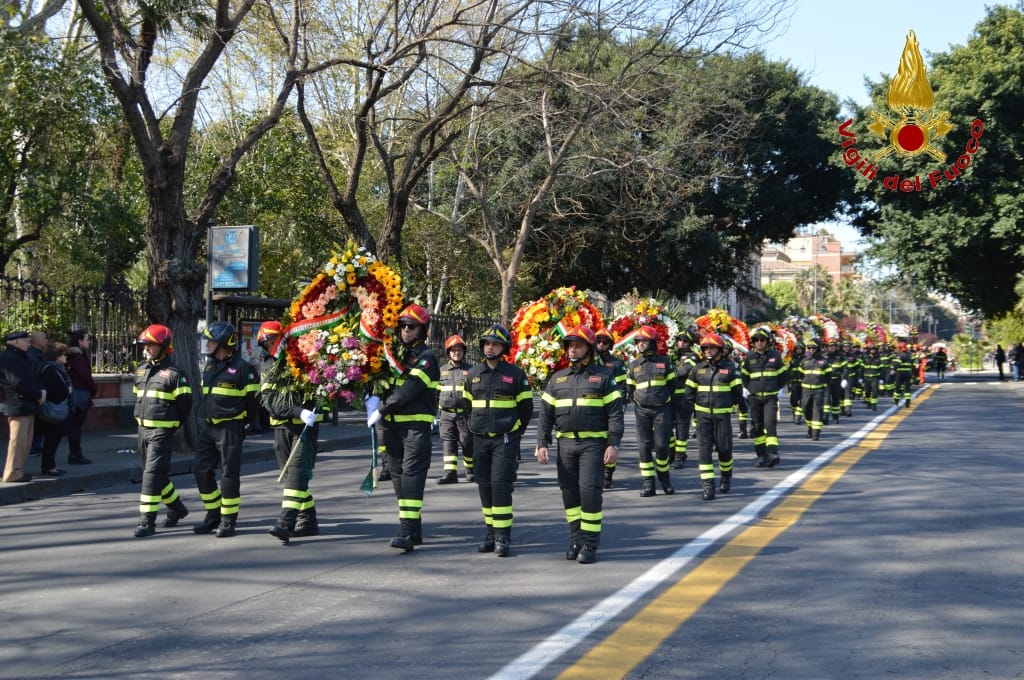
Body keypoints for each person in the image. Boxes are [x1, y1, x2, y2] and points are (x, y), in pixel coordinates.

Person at [536, 325, 623, 564]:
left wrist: (613, 444)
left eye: (578, 345)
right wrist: (542, 443)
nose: (573, 350)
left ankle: (590, 543)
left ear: (589, 349)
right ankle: (575, 539)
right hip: (566, 445)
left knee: (589, 492)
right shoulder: (558, 378)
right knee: (569, 493)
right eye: (570, 345)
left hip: (593, 444)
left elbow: (615, 414)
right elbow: (545, 415)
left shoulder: (604, 377)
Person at [372, 304, 440, 552]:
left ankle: (407, 531)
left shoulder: (427, 358)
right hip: (392, 429)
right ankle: (415, 528)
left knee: (412, 477)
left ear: (423, 330)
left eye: (412, 327)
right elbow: (383, 383)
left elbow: (410, 389)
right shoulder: (394, 354)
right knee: (399, 478)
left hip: (415, 428)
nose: (406, 331)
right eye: (403, 327)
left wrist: (382, 408)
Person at [461, 323, 533, 557]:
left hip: (504, 439)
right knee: (485, 487)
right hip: (480, 439)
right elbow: (466, 407)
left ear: (504, 347)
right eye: (487, 343)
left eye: (495, 344)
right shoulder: (472, 375)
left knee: (500, 486)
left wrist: (514, 433)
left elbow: (526, 409)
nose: (490, 348)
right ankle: (490, 534)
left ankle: (503, 537)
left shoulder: (515, 375)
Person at [257, 321, 323, 545]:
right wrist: (298, 411)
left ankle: (285, 522)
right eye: (267, 342)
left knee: (296, 472)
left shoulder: (304, 359)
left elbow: (320, 386)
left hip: (305, 428)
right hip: (282, 426)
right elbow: (271, 402)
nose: (271, 345)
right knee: (294, 477)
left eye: (274, 340)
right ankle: (309, 520)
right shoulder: (267, 367)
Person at [192, 321, 261, 538]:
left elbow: (253, 403)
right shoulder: (210, 366)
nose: (208, 345)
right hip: (208, 427)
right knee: (200, 470)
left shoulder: (244, 369)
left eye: (211, 341)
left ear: (223, 343)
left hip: (230, 428)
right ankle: (213, 513)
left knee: (229, 474)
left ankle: (228, 519)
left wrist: (245, 424)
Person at [132, 325, 193, 538]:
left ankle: (147, 521)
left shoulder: (176, 375)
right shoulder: (140, 370)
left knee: (152, 475)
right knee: (154, 474)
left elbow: (185, 404)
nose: (147, 348)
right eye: (146, 344)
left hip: (162, 431)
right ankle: (177, 508)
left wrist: (174, 426)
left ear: (164, 347)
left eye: (152, 345)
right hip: (142, 430)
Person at [684, 332, 747, 500]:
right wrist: (694, 412)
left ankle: (726, 477)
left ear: (719, 349)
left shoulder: (730, 368)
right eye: (705, 348)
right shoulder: (697, 369)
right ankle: (708, 486)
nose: (708, 351)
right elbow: (689, 393)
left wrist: (742, 409)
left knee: (725, 451)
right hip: (703, 418)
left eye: (712, 347)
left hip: (722, 418)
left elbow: (737, 393)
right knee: (704, 452)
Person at [625, 325, 676, 497]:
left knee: (662, 445)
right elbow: (629, 389)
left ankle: (664, 478)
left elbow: (673, 387)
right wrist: (638, 402)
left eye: (644, 341)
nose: (641, 344)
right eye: (639, 341)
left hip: (662, 410)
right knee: (644, 447)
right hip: (642, 411)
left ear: (652, 342)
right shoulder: (633, 365)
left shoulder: (664, 362)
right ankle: (648, 483)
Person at [740, 326, 788, 468]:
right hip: (754, 398)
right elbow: (744, 376)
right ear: (753, 342)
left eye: (762, 340)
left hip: (770, 397)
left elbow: (783, 375)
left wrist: (777, 389)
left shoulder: (775, 356)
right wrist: (748, 389)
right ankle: (761, 455)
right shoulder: (749, 357)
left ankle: (773, 453)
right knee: (757, 427)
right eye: (757, 340)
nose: (760, 342)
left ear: (767, 342)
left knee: (770, 423)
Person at [1, 331, 43, 483]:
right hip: (18, 404)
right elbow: (17, 382)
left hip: (27, 404)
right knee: (17, 442)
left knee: (25, 442)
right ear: (14, 342)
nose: (27, 343)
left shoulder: (20, 356)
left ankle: (18, 470)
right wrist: (37, 394)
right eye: (24, 340)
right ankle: (11, 472)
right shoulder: (9, 358)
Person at [436, 334, 475, 485]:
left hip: (465, 415)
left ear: (464, 352)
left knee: (467, 442)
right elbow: (435, 393)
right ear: (448, 353)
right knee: (448, 442)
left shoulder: (471, 371)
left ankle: (470, 470)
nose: (456, 353)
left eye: (459, 350)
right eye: (453, 350)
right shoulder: (442, 371)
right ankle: (450, 473)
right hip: (446, 414)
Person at [594, 328, 627, 487]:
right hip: (593, 409)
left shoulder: (616, 363)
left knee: (611, 441)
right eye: (598, 341)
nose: (601, 344)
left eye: (604, 342)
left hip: (610, 408)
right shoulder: (589, 360)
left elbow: (622, 387)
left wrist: (617, 406)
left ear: (610, 345)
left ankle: (608, 474)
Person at [36, 343, 72, 477]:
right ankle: (48, 466)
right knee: (51, 440)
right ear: (57, 356)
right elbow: (54, 390)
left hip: (54, 409)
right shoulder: (50, 370)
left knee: (53, 440)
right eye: (63, 354)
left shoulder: (56, 368)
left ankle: (50, 465)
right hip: (52, 410)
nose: (66, 356)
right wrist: (66, 391)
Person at [670, 328, 699, 471]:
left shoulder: (693, 357)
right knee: (666, 428)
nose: (682, 343)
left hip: (684, 398)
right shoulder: (671, 355)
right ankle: (671, 453)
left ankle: (680, 456)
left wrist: (665, 370)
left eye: (685, 341)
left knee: (682, 429)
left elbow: (683, 371)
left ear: (690, 343)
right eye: (680, 340)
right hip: (669, 398)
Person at [66, 329, 96, 465]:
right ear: (80, 341)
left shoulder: (74, 355)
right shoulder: (77, 357)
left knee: (74, 427)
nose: (89, 342)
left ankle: (75, 454)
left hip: (77, 392)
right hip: (79, 394)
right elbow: (85, 376)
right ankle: (75, 454)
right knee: (75, 427)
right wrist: (94, 390)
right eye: (87, 339)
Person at [799, 338, 831, 441]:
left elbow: (828, 376)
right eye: (809, 348)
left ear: (818, 349)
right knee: (806, 410)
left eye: (814, 348)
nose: (811, 350)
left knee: (817, 411)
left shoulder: (824, 362)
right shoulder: (804, 362)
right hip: (806, 390)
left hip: (819, 390)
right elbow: (800, 375)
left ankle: (816, 433)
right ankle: (810, 428)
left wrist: (823, 387)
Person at [27, 330, 47, 459]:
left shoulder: (38, 354)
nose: (46, 340)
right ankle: (34, 446)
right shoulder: (33, 355)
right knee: (36, 422)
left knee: (39, 421)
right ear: (36, 340)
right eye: (44, 338)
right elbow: (35, 375)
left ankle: (36, 445)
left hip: (39, 392)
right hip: (36, 393)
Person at [787, 341, 806, 423]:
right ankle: (795, 412)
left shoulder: (806, 359)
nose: (799, 350)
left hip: (803, 383)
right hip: (793, 383)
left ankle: (798, 415)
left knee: (802, 400)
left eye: (800, 349)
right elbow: (787, 371)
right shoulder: (790, 359)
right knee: (793, 401)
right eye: (797, 348)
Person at [892, 341, 914, 408]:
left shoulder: (900, 355)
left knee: (897, 388)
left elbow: (897, 364)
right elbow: (912, 364)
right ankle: (908, 403)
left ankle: (896, 401)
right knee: (907, 389)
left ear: (900, 348)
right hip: (908, 373)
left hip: (900, 374)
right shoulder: (909, 355)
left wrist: (893, 370)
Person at [860, 343, 882, 410]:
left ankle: (874, 404)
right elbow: (862, 368)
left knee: (875, 391)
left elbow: (881, 369)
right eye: (871, 350)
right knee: (867, 391)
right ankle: (869, 402)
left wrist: (881, 378)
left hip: (875, 377)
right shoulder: (865, 358)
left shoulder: (878, 358)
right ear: (869, 350)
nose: (873, 351)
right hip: (866, 377)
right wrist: (860, 377)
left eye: (874, 350)